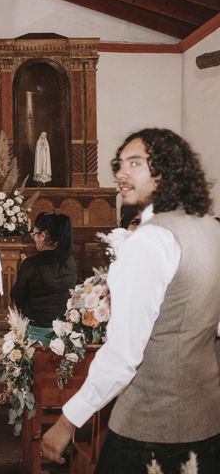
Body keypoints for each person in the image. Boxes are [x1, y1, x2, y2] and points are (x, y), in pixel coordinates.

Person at [41, 128, 220, 473]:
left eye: (135, 163)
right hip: (207, 419)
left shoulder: (151, 241)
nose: (121, 173)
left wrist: (68, 419)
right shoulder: (211, 228)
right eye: (119, 164)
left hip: (151, 427)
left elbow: (124, 355)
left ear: (167, 170)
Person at [11, 212, 76, 345]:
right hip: (62, 332)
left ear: (43, 235)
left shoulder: (32, 264)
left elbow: (17, 296)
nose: (33, 238)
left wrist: (25, 269)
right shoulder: (70, 262)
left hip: (36, 330)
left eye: (34, 234)